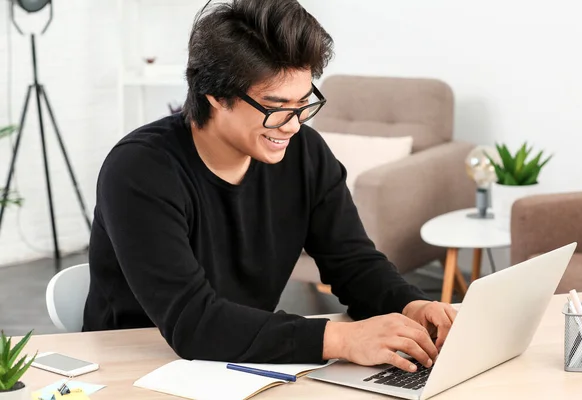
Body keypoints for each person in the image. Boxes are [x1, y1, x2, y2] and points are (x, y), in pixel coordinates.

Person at [83, 0, 457, 373]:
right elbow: (193, 322)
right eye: (276, 106)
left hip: (245, 359)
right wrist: (342, 339)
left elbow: (353, 263)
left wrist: (411, 306)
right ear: (215, 94)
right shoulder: (139, 170)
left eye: (303, 103)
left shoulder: (305, 153)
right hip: (134, 365)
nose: (293, 125)